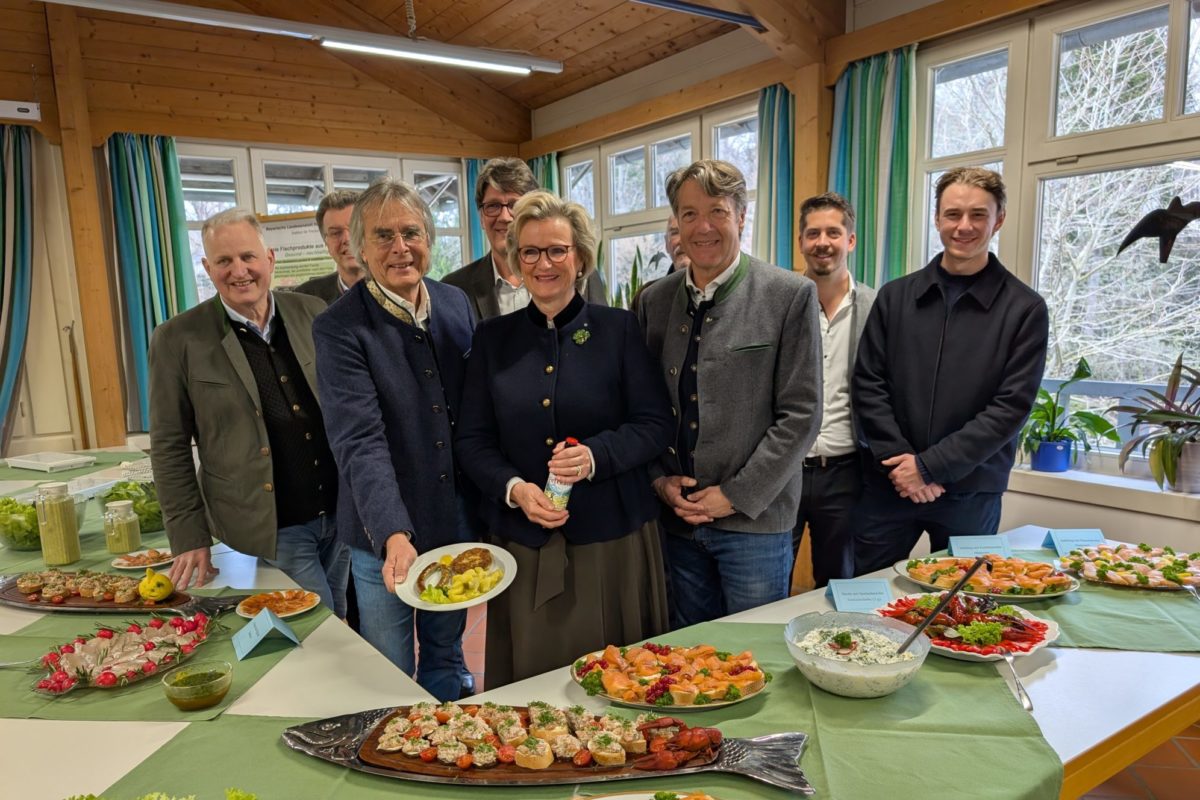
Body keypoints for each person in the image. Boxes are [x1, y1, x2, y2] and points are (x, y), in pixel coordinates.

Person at [456, 190, 673, 685]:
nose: (544, 263)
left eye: (557, 250)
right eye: (530, 252)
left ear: (580, 258)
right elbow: (472, 441)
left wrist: (597, 456)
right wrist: (515, 488)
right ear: (516, 259)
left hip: (612, 540)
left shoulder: (620, 330)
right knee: (536, 685)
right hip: (524, 542)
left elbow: (655, 424)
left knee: (618, 682)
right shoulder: (493, 339)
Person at [637, 160, 822, 628]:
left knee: (755, 654)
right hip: (677, 521)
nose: (702, 227)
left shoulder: (789, 295)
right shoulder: (652, 301)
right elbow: (642, 407)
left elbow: (801, 415)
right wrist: (661, 481)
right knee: (687, 658)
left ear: (742, 216)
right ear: (675, 222)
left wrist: (736, 495)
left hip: (755, 525)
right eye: (689, 214)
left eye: (717, 211)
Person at [312, 179, 476, 701]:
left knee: (447, 656)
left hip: (452, 522)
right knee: (389, 671)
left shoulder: (456, 303)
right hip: (380, 535)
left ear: (429, 237)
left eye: (411, 232)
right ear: (359, 248)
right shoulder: (339, 328)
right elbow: (359, 440)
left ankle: (447, 758)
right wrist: (392, 535)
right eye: (383, 236)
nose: (400, 247)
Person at [149, 209, 349, 617]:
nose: (238, 271)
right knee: (320, 626)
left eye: (247, 257)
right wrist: (189, 535)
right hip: (273, 526)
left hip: (340, 512)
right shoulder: (177, 339)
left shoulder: (312, 311)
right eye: (223, 261)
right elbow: (169, 446)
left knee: (340, 618)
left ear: (269, 259)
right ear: (207, 268)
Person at [851, 166, 1049, 575]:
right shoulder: (895, 297)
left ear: (999, 219)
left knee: (964, 610)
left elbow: (1010, 408)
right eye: (953, 214)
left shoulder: (1025, 309)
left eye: (978, 214)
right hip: (890, 484)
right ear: (937, 218)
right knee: (864, 603)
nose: (964, 226)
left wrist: (929, 467)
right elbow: (868, 384)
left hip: (971, 492)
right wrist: (903, 464)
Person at [792, 193, 876, 587]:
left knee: (838, 584)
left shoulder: (877, 307)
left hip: (846, 473)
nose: (822, 242)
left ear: (851, 240)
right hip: (785, 469)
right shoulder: (781, 305)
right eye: (813, 233)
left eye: (833, 232)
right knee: (768, 581)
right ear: (801, 242)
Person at [443, 157, 607, 319]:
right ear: (481, 218)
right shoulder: (454, 289)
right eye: (493, 206)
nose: (504, 217)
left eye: (515, 205)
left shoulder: (584, 278)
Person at [294, 189, 364, 304]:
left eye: (354, 229)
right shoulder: (305, 297)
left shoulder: (396, 289)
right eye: (336, 233)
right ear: (325, 242)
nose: (347, 239)